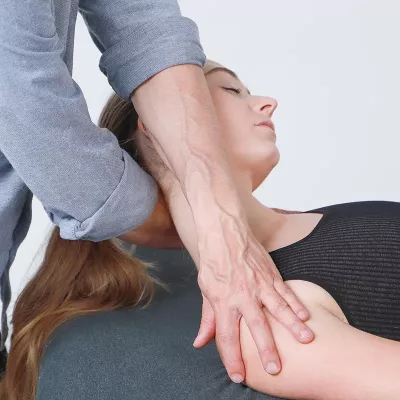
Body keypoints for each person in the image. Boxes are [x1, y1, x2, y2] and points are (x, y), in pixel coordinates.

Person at [3, 59, 399, 400]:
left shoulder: (330, 220)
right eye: (231, 90)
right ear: (157, 124)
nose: (267, 102)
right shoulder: (267, 315)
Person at [0, 0, 314, 382]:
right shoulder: (108, 341)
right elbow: (18, 83)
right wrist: (200, 216)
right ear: (150, 130)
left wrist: (219, 219)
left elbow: (144, 25)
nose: (269, 103)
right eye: (232, 89)